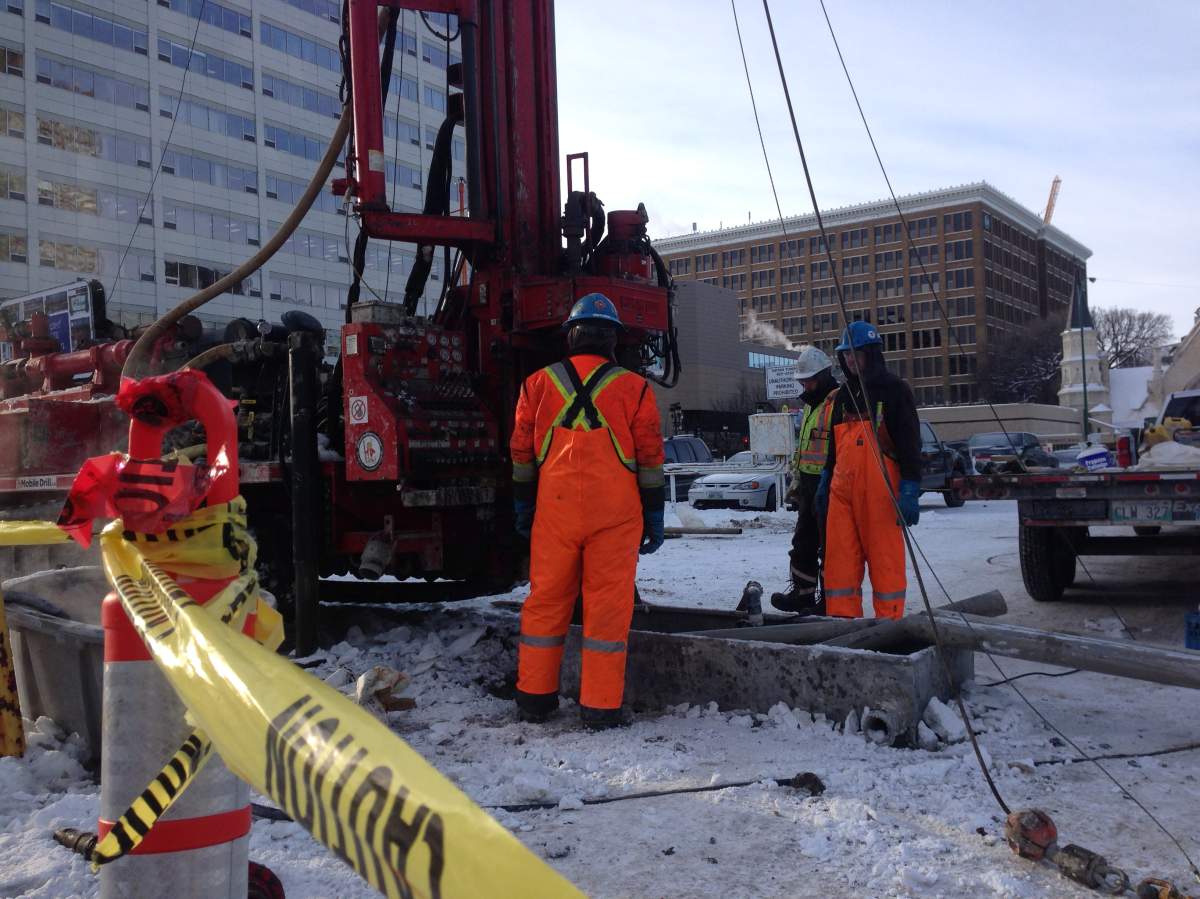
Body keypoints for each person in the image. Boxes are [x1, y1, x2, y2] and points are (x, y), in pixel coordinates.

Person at [509, 293, 666, 730]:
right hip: (615, 517)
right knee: (607, 608)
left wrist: (524, 505)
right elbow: (651, 461)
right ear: (612, 339)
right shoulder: (634, 388)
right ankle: (599, 708)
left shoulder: (536, 385)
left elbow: (521, 454)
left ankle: (534, 700)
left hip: (555, 512)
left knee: (545, 603)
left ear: (571, 336)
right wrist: (655, 516)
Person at [818, 320, 922, 620]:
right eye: (846, 355)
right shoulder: (842, 395)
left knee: (884, 561)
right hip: (842, 492)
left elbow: (910, 443)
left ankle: (888, 625)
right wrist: (826, 477)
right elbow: (834, 447)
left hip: (881, 493)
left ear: (871, 354)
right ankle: (840, 622)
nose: (851, 360)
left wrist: (911, 487)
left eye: (856, 354)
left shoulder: (894, 390)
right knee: (840, 564)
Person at [770, 346, 839, 614]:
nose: (804, 385)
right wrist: (798, 483)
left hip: (829, 484)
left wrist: (828, 479)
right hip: (811, 484)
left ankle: (830, 600)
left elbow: (835, 446)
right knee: (803, 543)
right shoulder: (812, 404)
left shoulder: (835, 401)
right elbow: (806, 448)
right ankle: (803, 595)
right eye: (802, 381)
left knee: (830, 547)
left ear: (821, 376)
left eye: (807, 380)